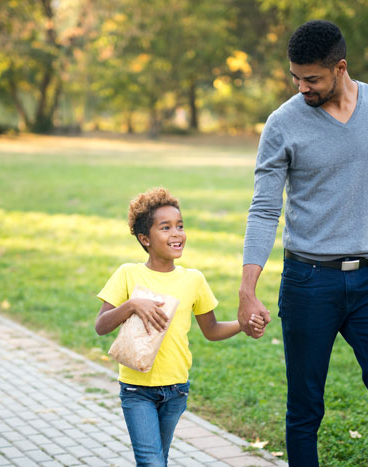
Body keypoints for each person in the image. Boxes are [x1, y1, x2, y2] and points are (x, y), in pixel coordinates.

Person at [237, 20, 368, 467]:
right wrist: (248, 289)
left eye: (311, 79)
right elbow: (264, 209)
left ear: (340, 68)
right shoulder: (282, 124)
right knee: (305, 409)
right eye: (295, 77)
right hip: (308, 282)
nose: (301, 87)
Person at [96, 187, 264, 466]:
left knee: (158, 458)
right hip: (137, 389)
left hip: (176, 389)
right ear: (144, 239)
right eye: (166, 228)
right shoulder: (128, 274)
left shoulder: (194, 280)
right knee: (152, 462)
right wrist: (132, 305)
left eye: (180, 226)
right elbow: (101, 326)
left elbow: (211, 330)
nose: (177, 234)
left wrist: (243, 324)